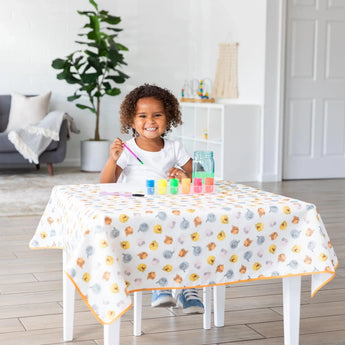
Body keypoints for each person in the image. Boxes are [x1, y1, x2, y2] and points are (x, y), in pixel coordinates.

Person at [100, 83, 204, 314]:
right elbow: (106, 184)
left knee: (191, 232)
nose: (151, 121)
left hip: (169, 208)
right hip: (139, 211)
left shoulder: (174, 147)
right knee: (160, 235)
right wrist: (113, 159)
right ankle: (162, 284)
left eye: (157, 115)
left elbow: (199, 176)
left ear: (169, 118)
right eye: (143, 116)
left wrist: (184, 174)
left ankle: (189, 288)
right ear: (131, 120)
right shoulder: (127, 150)